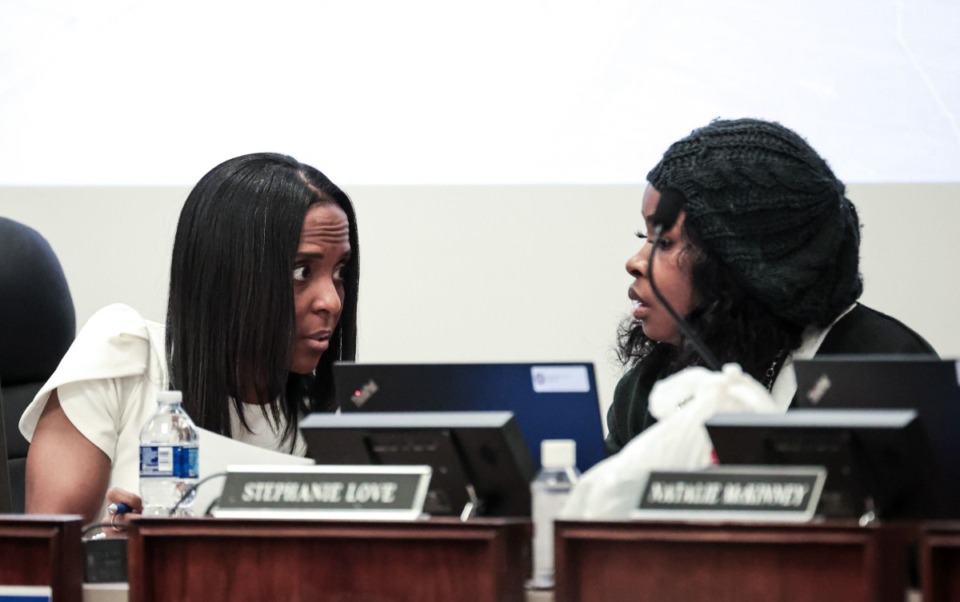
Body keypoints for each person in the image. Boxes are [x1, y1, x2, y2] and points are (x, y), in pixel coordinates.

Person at [19, 152, 360, 525]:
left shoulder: (327, 419)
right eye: (301, 271)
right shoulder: (123, 354)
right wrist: (118, 549)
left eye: (340, 271)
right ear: (230, 276)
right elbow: (44, 560)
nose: (331, 301)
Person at [606, 117, 936, 455]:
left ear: (743, 256)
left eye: (664, 241)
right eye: (643, 237)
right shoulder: (648, 389)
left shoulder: (882, 369)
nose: (635, 262)